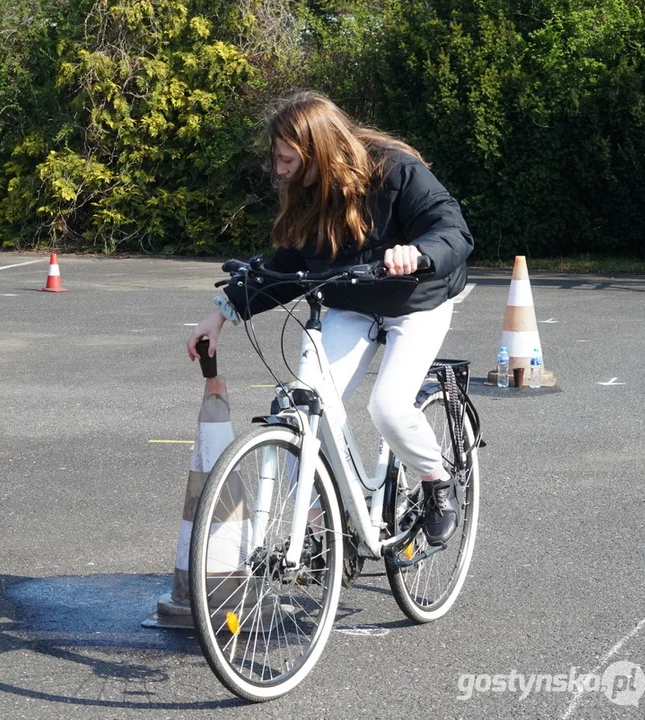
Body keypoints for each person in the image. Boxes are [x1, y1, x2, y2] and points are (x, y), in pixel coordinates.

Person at [186, 91, 473, 544]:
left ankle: (437, 482)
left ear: (317, 149)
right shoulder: (308, 194)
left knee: (390, 407)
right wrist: (221, 314)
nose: (279, 170)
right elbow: (285, 267)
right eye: (276, 159)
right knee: (304, 408)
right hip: (352, 303)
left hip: (416, 301)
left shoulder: (395, 171)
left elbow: (452, 230)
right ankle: (324, 531)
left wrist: (417, 253)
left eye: (287, 159)